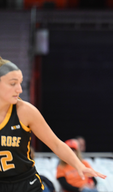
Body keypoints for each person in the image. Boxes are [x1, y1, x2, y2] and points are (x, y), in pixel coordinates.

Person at [0, 57, 106, 192]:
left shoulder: (25, 111)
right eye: (13, 84)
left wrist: (79, 166)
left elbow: (56, 144)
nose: (20, 89)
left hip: (24, 183)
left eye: (20, 83)